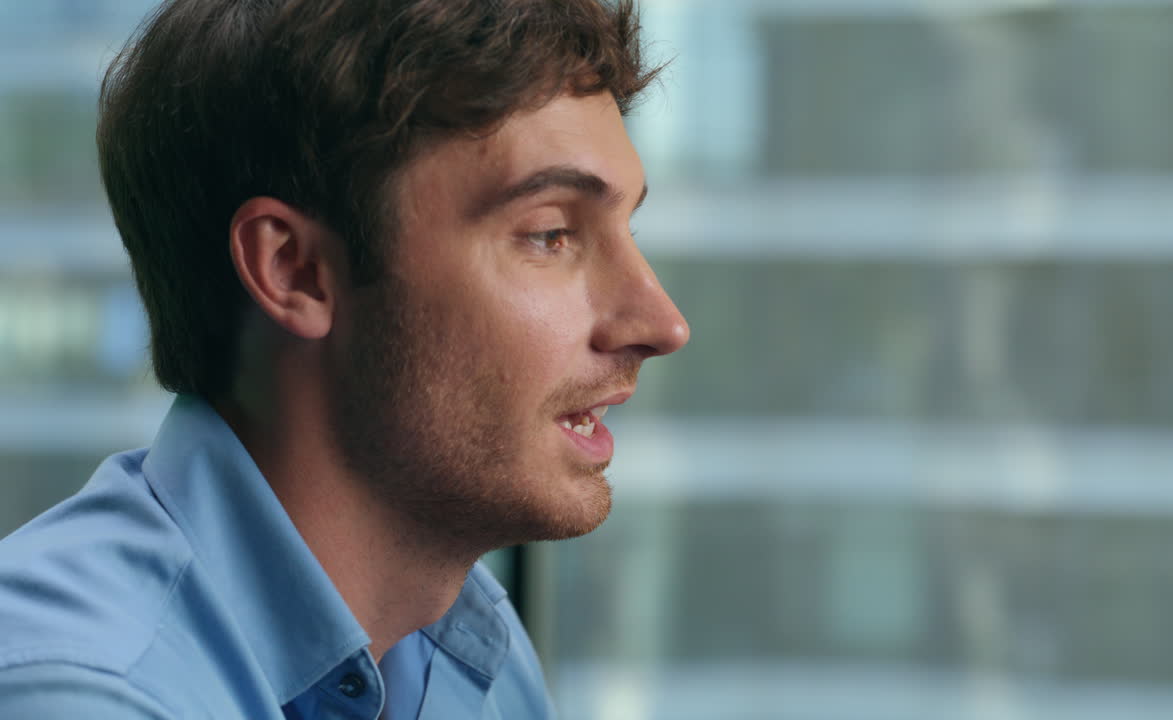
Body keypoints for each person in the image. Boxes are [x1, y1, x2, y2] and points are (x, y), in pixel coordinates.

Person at [0, 0, 688, 717]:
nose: (661, 323)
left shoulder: (478, 658)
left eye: (626, 227)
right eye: (551, 235)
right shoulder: (83, 688)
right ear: (294, 270)